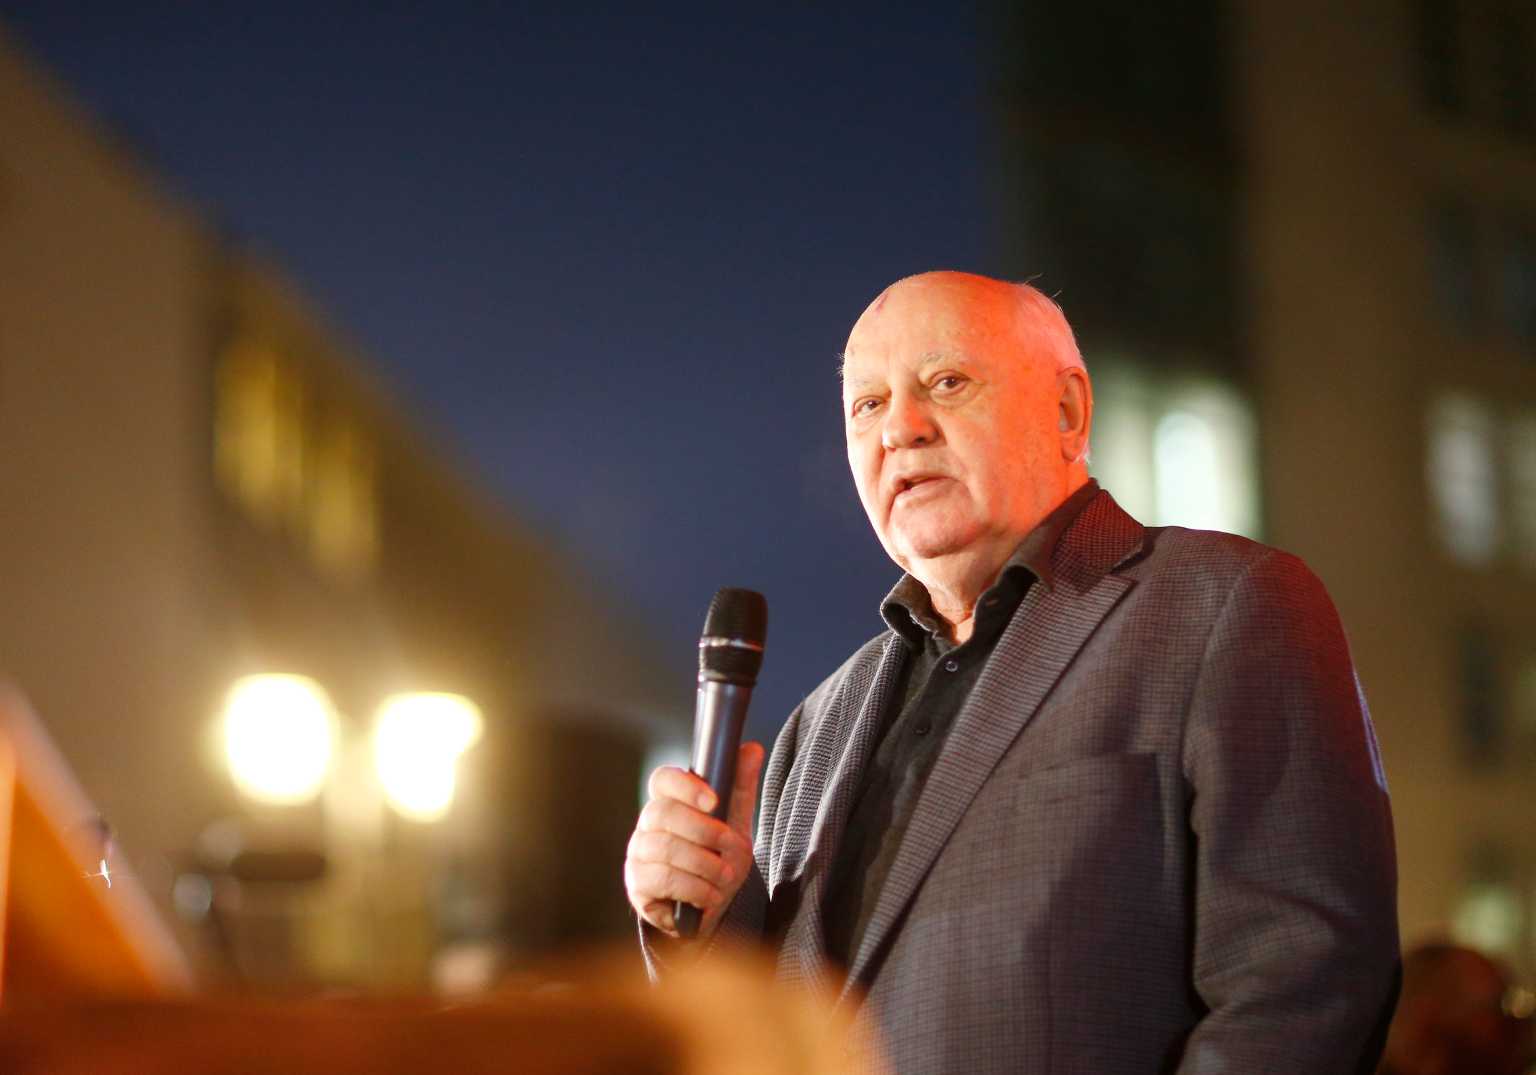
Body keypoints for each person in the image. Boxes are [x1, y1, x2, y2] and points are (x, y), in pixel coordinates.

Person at [624, 271, 1401, 1073]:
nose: (902, 429)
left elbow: (1302, 988)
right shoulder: (812, 730)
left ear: (1067, 411)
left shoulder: (1227, 606)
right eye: (868, 405)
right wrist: (708, 916)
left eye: (946, 382)